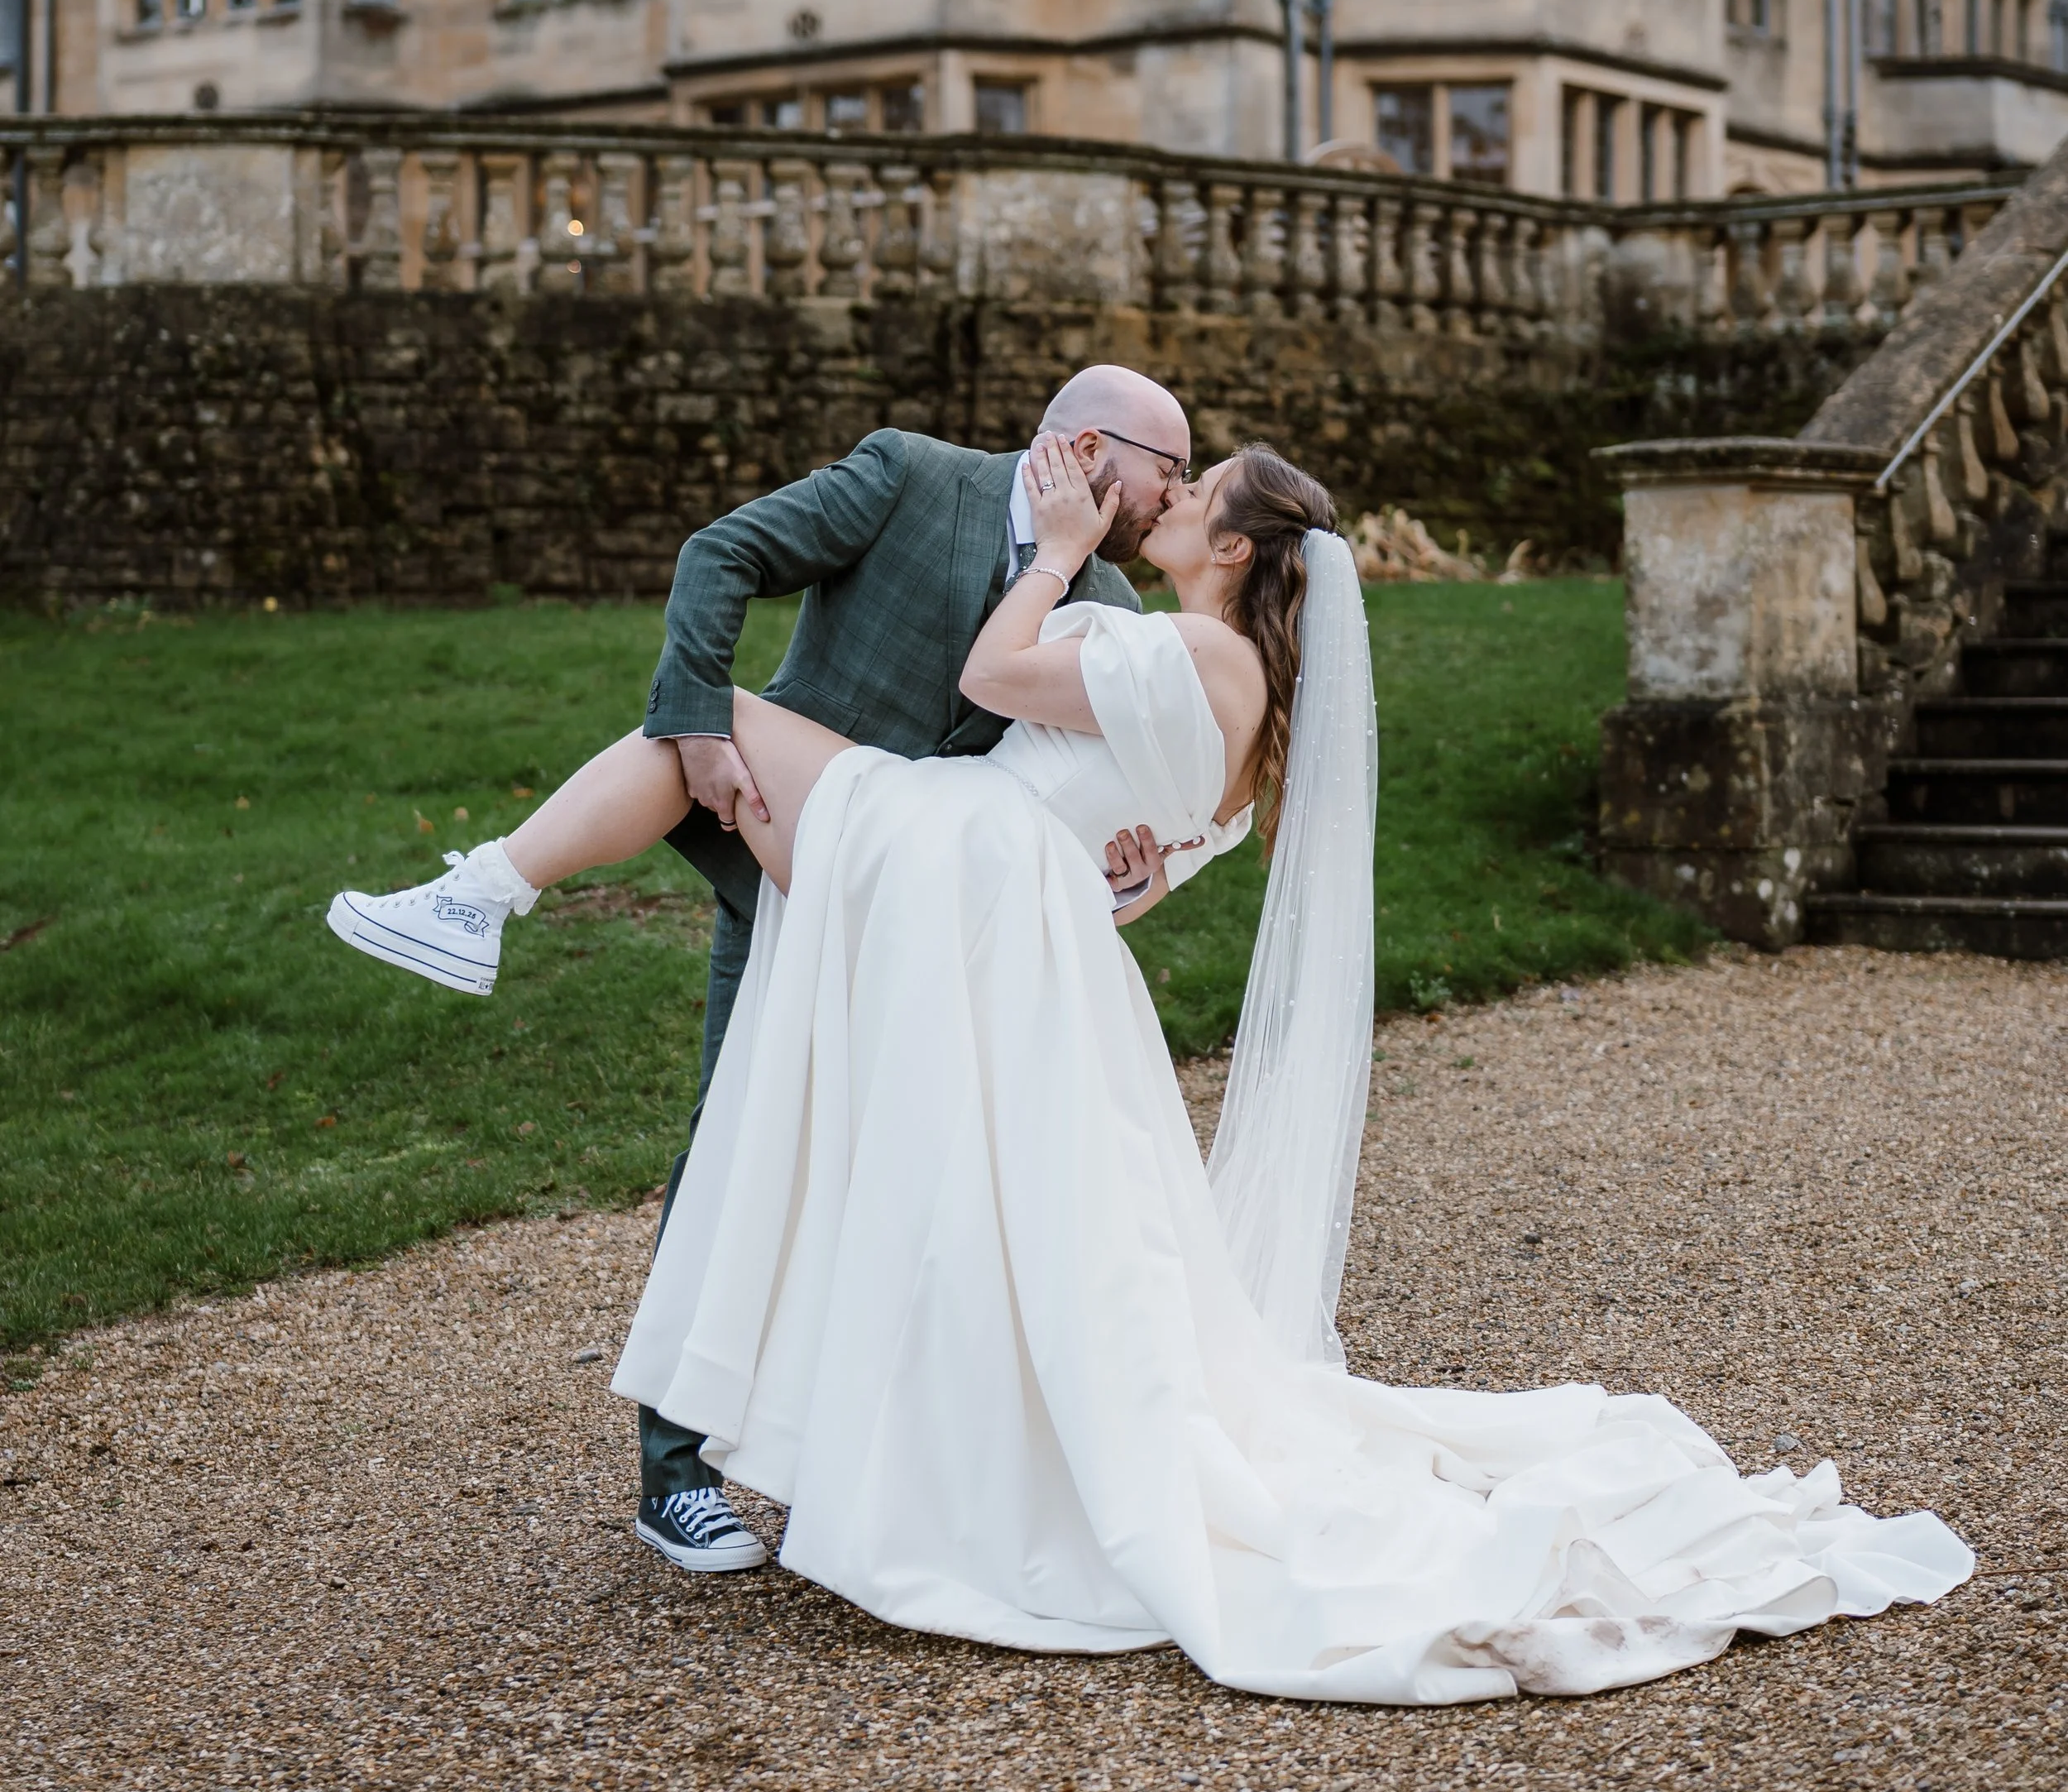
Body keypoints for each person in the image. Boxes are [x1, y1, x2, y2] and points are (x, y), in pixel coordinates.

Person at [341, 434, 1975, 1702]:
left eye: (1197, 493)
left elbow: (989, 683)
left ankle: (480, 896)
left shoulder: (1200, 652)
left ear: (1242, 548)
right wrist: (1106, 864)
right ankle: (484, 905)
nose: (1172, 499)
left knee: (691, 733)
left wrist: (1051, 551)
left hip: (959, 863)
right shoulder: (1249, 710)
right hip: (1012, 905)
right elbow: (1145, 865)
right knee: (922, 1125)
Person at [328, 366, 1186, 1574]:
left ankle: (863, 1465)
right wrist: (695, 730)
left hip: (922, 931)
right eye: (1169, 466)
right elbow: (717, 553)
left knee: (896, 1187)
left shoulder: (1100, 604)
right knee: (732, 1143)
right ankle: (673, 1476)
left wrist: (1112, 889)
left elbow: (1044, 802)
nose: (1173, 493)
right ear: (1091, 446)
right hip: (789, 859)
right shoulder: (908, 474)